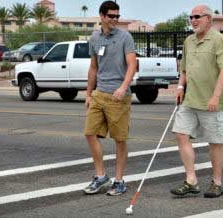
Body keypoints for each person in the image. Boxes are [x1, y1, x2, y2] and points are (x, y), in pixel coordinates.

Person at [170, 4, 223, 198]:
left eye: (198, 16)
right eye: (191, 17)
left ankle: (217, 183)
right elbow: (185, 69)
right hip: (190, 100)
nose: (194, 20)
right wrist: (180, 88)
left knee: (215, 142)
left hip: (213, 102)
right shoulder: (188, 41)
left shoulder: (219, 40)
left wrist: (215, 96)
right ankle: (191, 180)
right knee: (181, 134)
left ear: (209, 19)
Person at [83, 0, 136, 196]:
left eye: (117, 16)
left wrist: (124, 87)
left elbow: (132, 65)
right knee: (90, 133)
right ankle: (101, 176)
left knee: (119, 139)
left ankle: (119, 180)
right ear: (102, 16)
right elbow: (93, 67)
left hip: (118, 96)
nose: (115, 19)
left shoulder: (125, 37)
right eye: (111, 16)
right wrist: (89, 93)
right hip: (99, 94)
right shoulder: (95, 37)